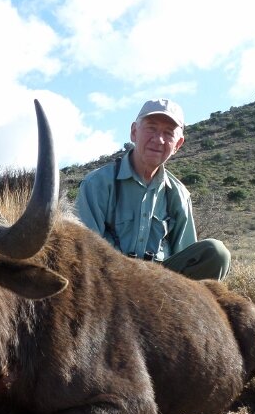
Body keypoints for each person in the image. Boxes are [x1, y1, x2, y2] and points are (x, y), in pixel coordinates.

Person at [75, 98, 231, 281]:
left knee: (216, 253)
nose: (158, 140)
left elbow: (186, 262)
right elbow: (83, 252)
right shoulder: (97, 183)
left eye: (168, 133)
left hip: (159, 290)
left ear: (178, 145)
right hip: (109, 284)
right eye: (151, 128)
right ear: (134, 132)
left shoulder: (178, 195)